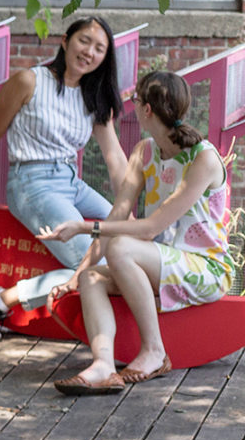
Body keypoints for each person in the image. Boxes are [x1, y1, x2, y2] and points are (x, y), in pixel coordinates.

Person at [44, 71, 234, 395]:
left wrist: (82, 226)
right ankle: (103, 366)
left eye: (135, 101)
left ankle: (154, 351)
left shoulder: (203, 158)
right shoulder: (145, 152)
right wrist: (77, 275)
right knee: (93, 278)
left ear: (147, 110)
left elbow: (151, 227)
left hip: (206, 268)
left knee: (121, 248)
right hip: (160, 263)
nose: (132, 107)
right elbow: (118, 213)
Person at [0, 15, 127, 342]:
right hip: (31, 183)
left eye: (99, 48)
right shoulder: (28, 81)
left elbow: (115, 160)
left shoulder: (93, 98)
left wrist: (131, 212)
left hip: (70, 182)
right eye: (84, 41)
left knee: (129, 237)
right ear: (65, 40)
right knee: (88, 263)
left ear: (105, 58)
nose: (89, 52)